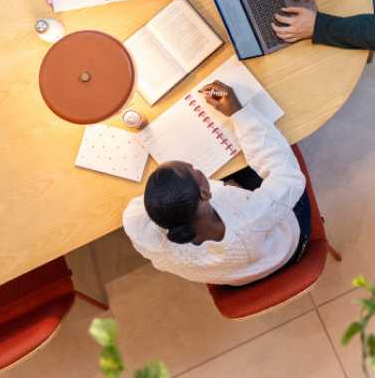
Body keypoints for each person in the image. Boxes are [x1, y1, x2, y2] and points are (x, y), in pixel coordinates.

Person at [122, 81, 310, 285]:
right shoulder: (251, 216)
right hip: (285, 249)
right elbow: (288, 177)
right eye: (192, 168)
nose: (194, 166)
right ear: (205, 193)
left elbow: (133, 211)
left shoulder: (149, 240)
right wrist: (239, 113)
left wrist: (171, 195)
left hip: (238, 276)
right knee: (267, 155)